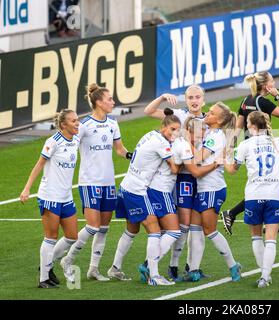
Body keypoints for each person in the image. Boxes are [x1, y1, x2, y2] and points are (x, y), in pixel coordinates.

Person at [225, 111, 279, 287]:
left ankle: (263, 274)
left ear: (250, 125)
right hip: (275, 197)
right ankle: (265, 276)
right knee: (271, 238)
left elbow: (232, 170)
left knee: (256, 237)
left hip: (253, 197)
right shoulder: (277, 142)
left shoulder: (245, 145)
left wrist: (225, 156)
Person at [59, 84, 132, 282]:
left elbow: (118, 148)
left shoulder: (113, 123)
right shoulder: (84, 126)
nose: (113, 102)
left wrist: (130, 155)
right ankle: (68, 258)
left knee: (104, 228)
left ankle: (93, 268)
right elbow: (71, 144)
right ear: (99, 102)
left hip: (108, 182)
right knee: (92, 226)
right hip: (89, 182)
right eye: (109, 99)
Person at [137, 113, 219, 283]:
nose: (203, 135)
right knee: (180, 225)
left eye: (204, 131)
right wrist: (217, 163)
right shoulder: (183, 144)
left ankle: (166, 265)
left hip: (178, 183)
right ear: (189, 130)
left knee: (176, 227)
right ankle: (157, 264)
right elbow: (193, 168)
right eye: (200, 131)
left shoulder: (181, 142)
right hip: (179, 183)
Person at [107, 110, 180, 285]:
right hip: (136, 191)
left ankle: (115, 268)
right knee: (155, 231)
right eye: (172, 129)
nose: (174, 134)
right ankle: (154, 276)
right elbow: (175, 169)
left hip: (125, 186)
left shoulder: (150, 134)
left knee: (132, 230)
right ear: (163, 127)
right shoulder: (162, 144)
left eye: (177, 130)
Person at [144, 85, 209, 279]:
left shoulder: (209, 119)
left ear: (203, 99)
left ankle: (191, 267)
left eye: (197, 97)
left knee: (196, 225)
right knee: (183, 224)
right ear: (186, 99)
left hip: (203, 178)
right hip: (182, 177)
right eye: (190, 97)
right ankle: (170, 265)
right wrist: (162, 96)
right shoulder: (178, 114)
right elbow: (148, 111)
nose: (194, 100)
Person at [221, 71, 279, 236]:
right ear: (265, 85)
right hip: (264, 145)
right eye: (272, 82)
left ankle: (266, 220)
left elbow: (238, 127)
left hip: (248, 145)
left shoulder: (245, 100)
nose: (274, 85)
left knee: (260, 184)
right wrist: (278, 96)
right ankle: (231, 213)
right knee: (266, 183)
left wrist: (229, 147)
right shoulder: (263, 102)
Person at [20, 110, 80, 288]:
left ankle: (47, 264)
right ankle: (43, 278)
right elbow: (39, 164)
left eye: (77, 120)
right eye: (73, 121)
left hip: (66, 196)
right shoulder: (53, 142)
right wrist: (27, 188)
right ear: (63, 125)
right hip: (50, 196)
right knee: (51, 237)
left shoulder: (75, 139)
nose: (77, 123)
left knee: (72, 236)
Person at [185, 102, 242, 282]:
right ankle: (193, 270)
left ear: (218, 120)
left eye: (210, 113)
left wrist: (186, 140)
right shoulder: (211, 133)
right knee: (195, 229)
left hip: (212, 188)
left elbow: (197, 158)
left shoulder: (215, 137)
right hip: (203, 187)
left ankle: (233, 265)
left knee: (209, 230)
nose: (206, 114)